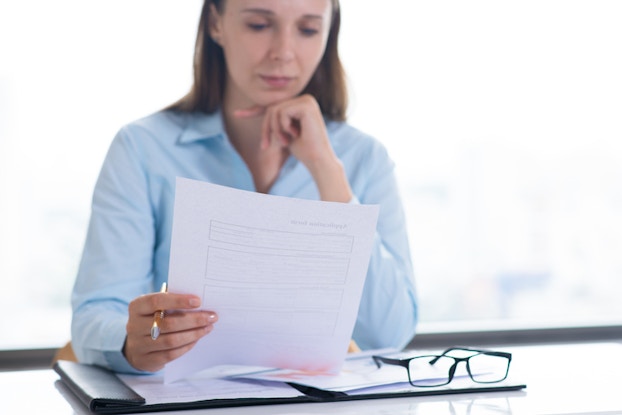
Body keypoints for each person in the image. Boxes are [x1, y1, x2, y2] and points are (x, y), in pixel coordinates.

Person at [71, 0, 418, 374]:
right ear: (216, 24)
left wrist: (326, 170)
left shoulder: (363, 158)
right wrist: (131, 341)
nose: (283, 52)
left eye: (307, 29)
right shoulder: (142, 149)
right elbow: (94, 315)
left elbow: (390, 332)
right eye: (258, 25)